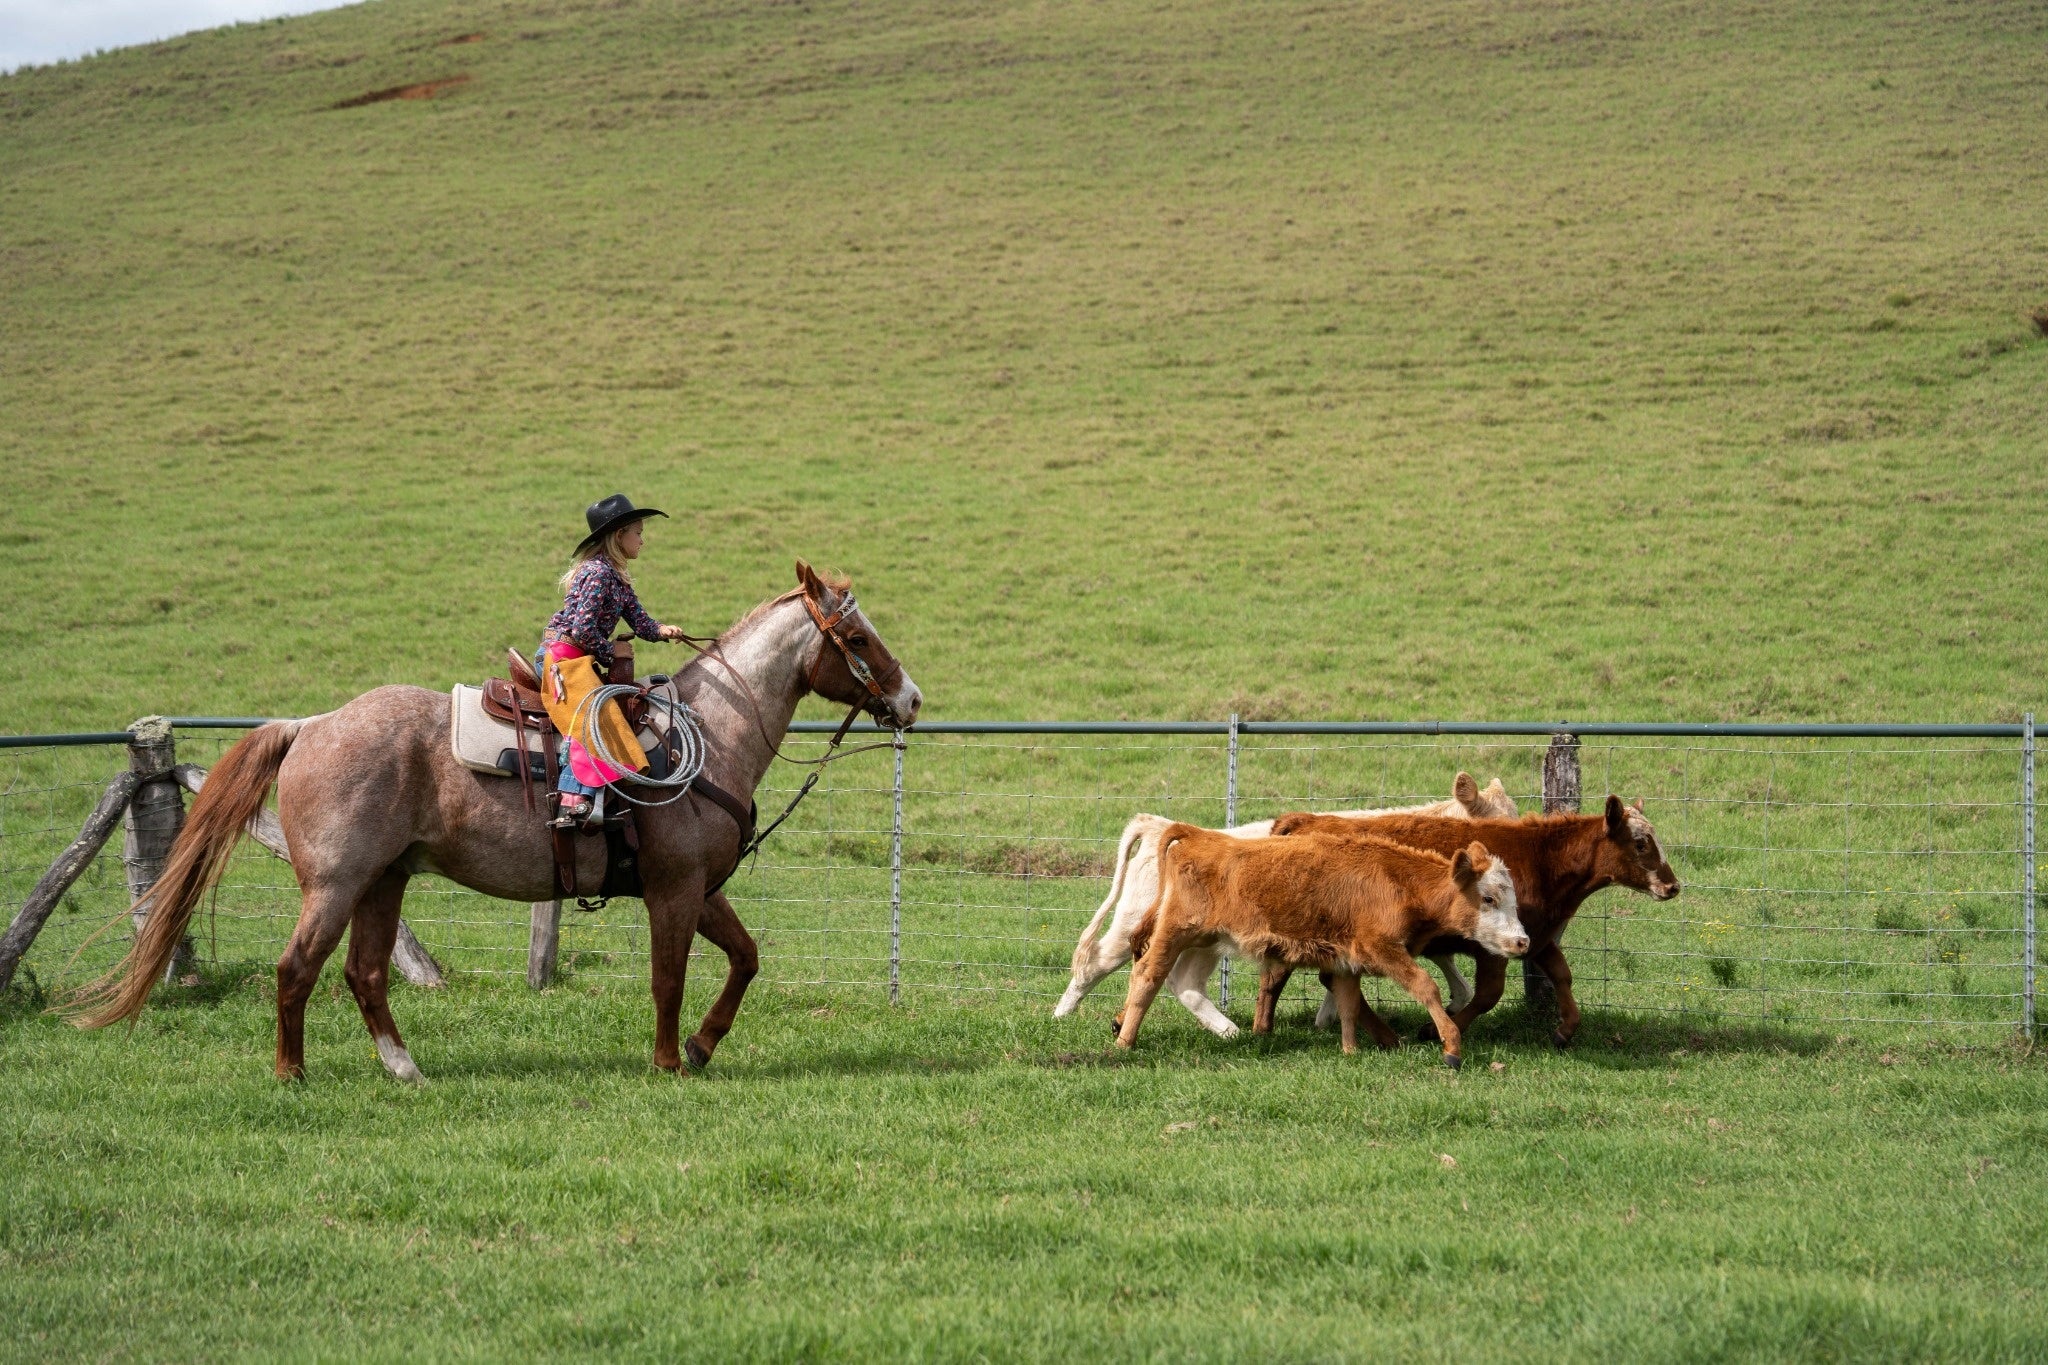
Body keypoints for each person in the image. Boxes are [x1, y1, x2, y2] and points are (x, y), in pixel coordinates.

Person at [537, 493, 687, 827]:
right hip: (562, 659)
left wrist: (663, 631)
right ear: (619, 536)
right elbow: (582, 629)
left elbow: (640, 621)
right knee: (593, 716)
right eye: (637, 532)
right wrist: (612, 653)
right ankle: (571, 802)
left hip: (578, 659)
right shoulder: (598, 573)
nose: (642, 541)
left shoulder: (616, 577)